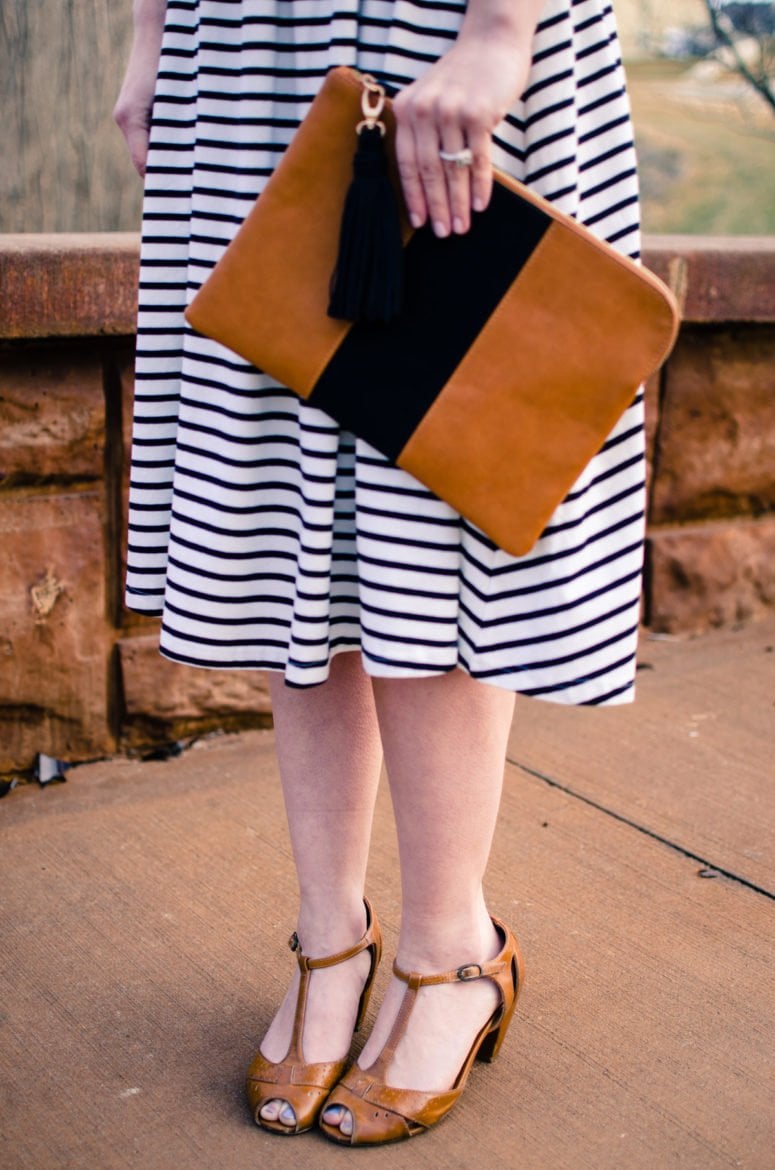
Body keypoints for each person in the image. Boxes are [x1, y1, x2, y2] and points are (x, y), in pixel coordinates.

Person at [115, 0, 644, 1146]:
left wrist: (503, 27)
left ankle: (453, 951)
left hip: (437, 38)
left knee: (438, 484)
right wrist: (154, 36)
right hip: (251, 55)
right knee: (278, 508)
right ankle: (328, 937)